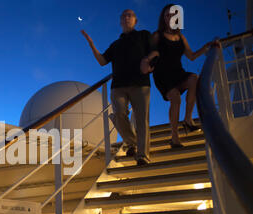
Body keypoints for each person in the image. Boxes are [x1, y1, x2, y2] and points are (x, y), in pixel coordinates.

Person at [82, 9, 155, 165]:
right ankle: (132, 142)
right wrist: (91, 45)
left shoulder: (144, 35)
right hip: (118, 86)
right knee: (119, 115)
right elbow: (102, 61)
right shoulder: (116, 44)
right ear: (120, 21)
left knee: (142, 120)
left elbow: (155, 52)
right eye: (123, 15)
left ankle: (143, 155)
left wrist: (149, 64)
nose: (127, 17)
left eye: (130, 15)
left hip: (140, 84)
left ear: (135, 20)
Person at [144, 4, 220, 148]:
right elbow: (150, 53)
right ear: (163, 18)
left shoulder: (181, 37)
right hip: (162, 75)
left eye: (173, 15)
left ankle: (188, 118)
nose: (170, 17)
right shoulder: (157, 35)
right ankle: (174, 137)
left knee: (194, 78)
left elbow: (191, 56)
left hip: (178, 72)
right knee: (175, 98)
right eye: (167, 15)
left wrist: (206, 47)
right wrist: (148, 63)